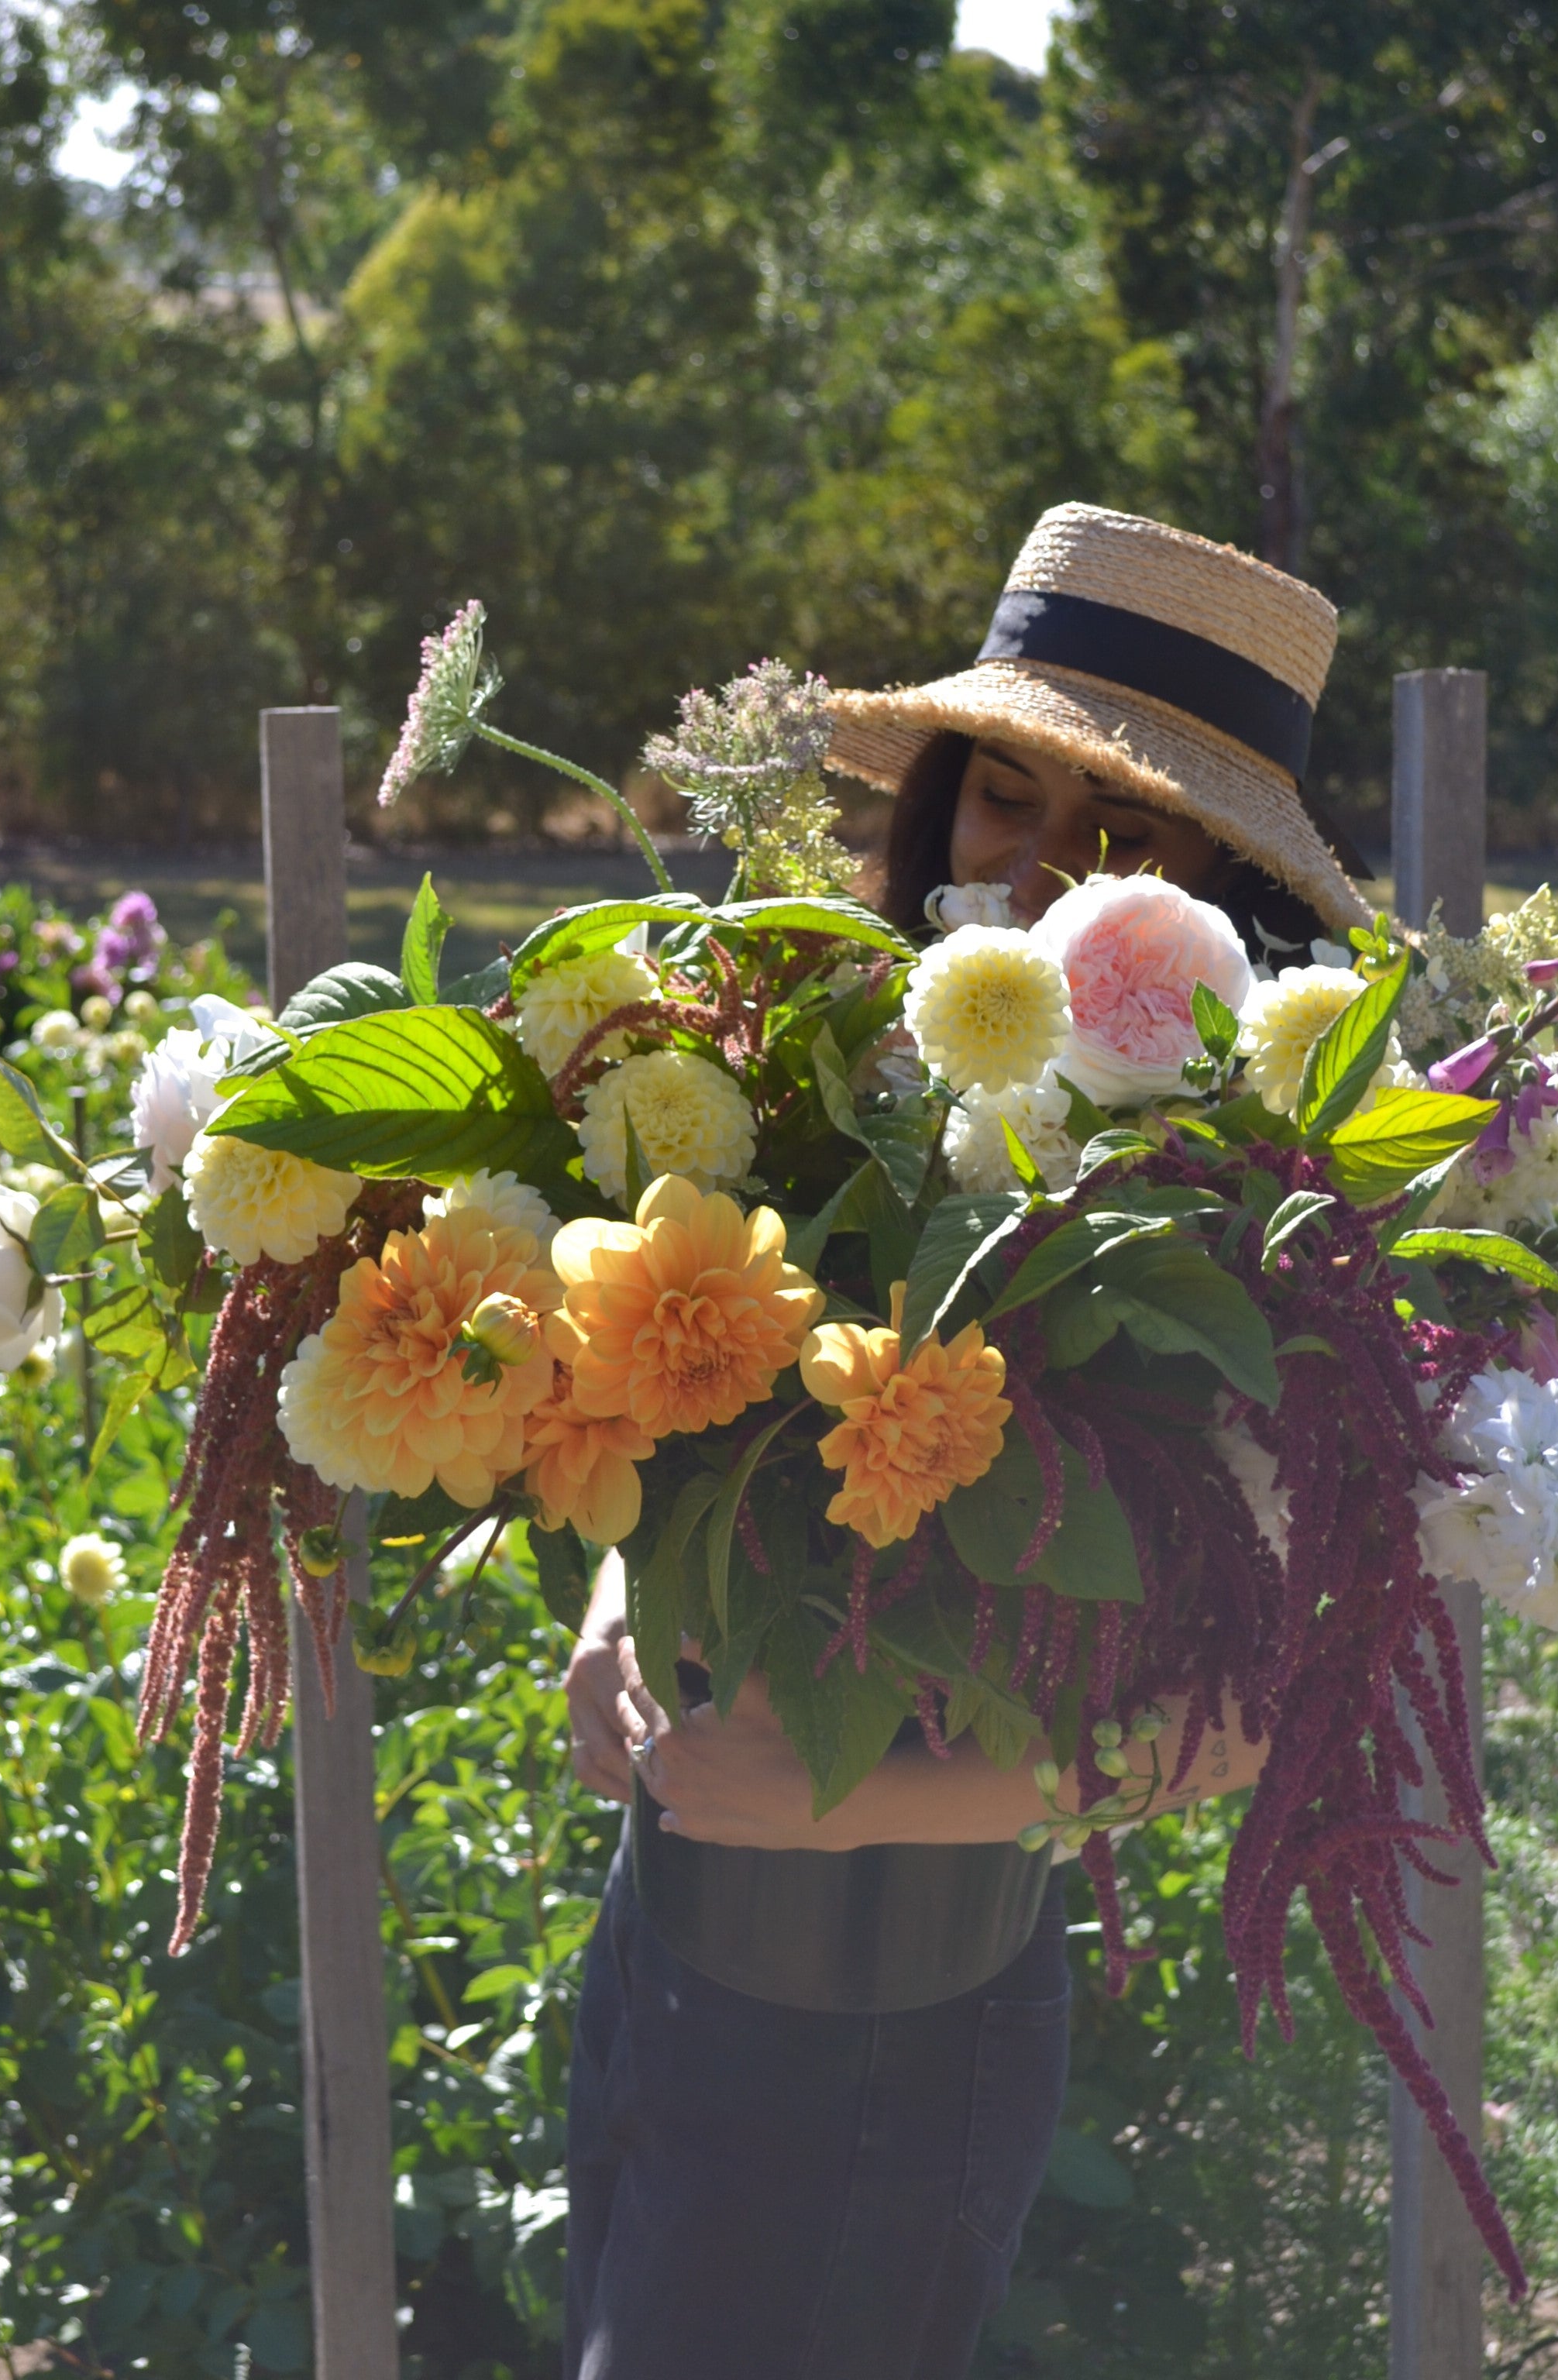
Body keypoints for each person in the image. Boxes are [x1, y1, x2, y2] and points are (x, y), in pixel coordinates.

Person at [559, 504, 1378, 2379]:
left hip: (895, 2023)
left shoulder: (1246, 1214)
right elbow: (690, 1387)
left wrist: (855, 1797)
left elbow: (1239, 1717)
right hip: (669, 1944)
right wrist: (623, 1599)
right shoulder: (818, 1048)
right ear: (937, 803)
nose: (1041, 869)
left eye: (1127, 839)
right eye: (1004, 796)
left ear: (1222, 901)